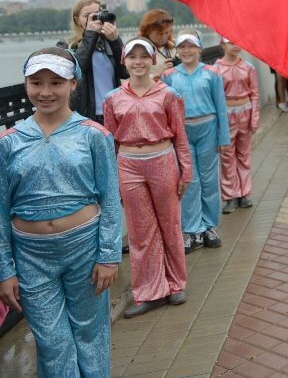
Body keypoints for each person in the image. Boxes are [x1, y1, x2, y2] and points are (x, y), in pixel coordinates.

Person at [0, 48, 120, 376]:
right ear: (25, 84)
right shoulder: (9, 142)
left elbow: (110, 198)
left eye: (56, 82)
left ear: (73, 84)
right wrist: (5, 270)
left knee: (90, 334)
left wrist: (108, 255)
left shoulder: (95, 136)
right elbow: (0, 210)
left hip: (85, 247)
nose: (45, 91)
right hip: (31, 255)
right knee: (52, 341)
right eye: (36, 82)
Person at [103, 39, 191, 318]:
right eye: (132, 57)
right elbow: (110, 142)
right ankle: (150, 290)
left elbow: (180, 135)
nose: (138, 62)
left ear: (153, 60)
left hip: (162, 160)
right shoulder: (112, 98)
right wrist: (111, 177)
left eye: (144, 56)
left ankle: (176, 283)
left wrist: (185, 169)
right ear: (124, 61)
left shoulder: (168, 94)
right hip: (129, 164)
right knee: (141, 232)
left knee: (169, 223)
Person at [162, 31, 230, 253]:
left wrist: (223, 138)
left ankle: (209, 227)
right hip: (182, 131)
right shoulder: (170, 76)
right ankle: (192, 230)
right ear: (177, 50)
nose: (186, 51)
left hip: (208, 128)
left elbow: (221, 107)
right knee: (190, 181)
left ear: (200, 49)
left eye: (191, 46)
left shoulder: (211, 73)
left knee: (209, 180)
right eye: (182, 47)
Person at [63, 0, 128, 123]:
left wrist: (115, 40)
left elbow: (125, 72)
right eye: (88, 15)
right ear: (77, 20)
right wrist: (90, 36)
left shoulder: (108, 43)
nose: (95, 19)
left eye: (98, 15)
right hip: (85, 115)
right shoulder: (68, 46)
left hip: (114, 111)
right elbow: (75, 70)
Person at [214, 38, 260, 214]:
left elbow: (255, 93)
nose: (235, 45)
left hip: (245, 112)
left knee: (244, 155)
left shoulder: (248, 67)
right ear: (223, 45)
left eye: (238, 41)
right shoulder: (217, 69)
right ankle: (229, 196)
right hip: (226, 114)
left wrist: (254, 118)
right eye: (231, 42)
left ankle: (244, 193)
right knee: (227, 156)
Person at [138, 9, 177, 80]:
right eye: (160, 34)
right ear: (148, 31)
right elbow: (134, 81)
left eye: (167, 33)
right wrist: (158, 74)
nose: (164, 37)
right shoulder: (137, 52)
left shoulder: (176, 47)